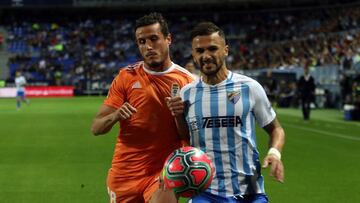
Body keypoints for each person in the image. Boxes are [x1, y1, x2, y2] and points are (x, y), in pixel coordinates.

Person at [166, 22, 285, 203]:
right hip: (206, 192)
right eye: (199, 51)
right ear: (193, 55)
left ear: (226, 50)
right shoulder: (186, 93)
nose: (206, 56)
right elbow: (187, 137)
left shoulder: (249, 87)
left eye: (212, 49)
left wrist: (274, 153)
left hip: (250, 192)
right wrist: (177, 116)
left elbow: (276, 129)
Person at [91, 13, 194, 203]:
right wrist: (115, 115)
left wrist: (179, 116)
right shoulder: (126, 77)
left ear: (168, 39)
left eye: (154, 39)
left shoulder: (187, 82)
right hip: (125, 173)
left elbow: (189, 137)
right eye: (141, 41)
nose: (148, 46)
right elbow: (96, 128)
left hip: (163, 171)